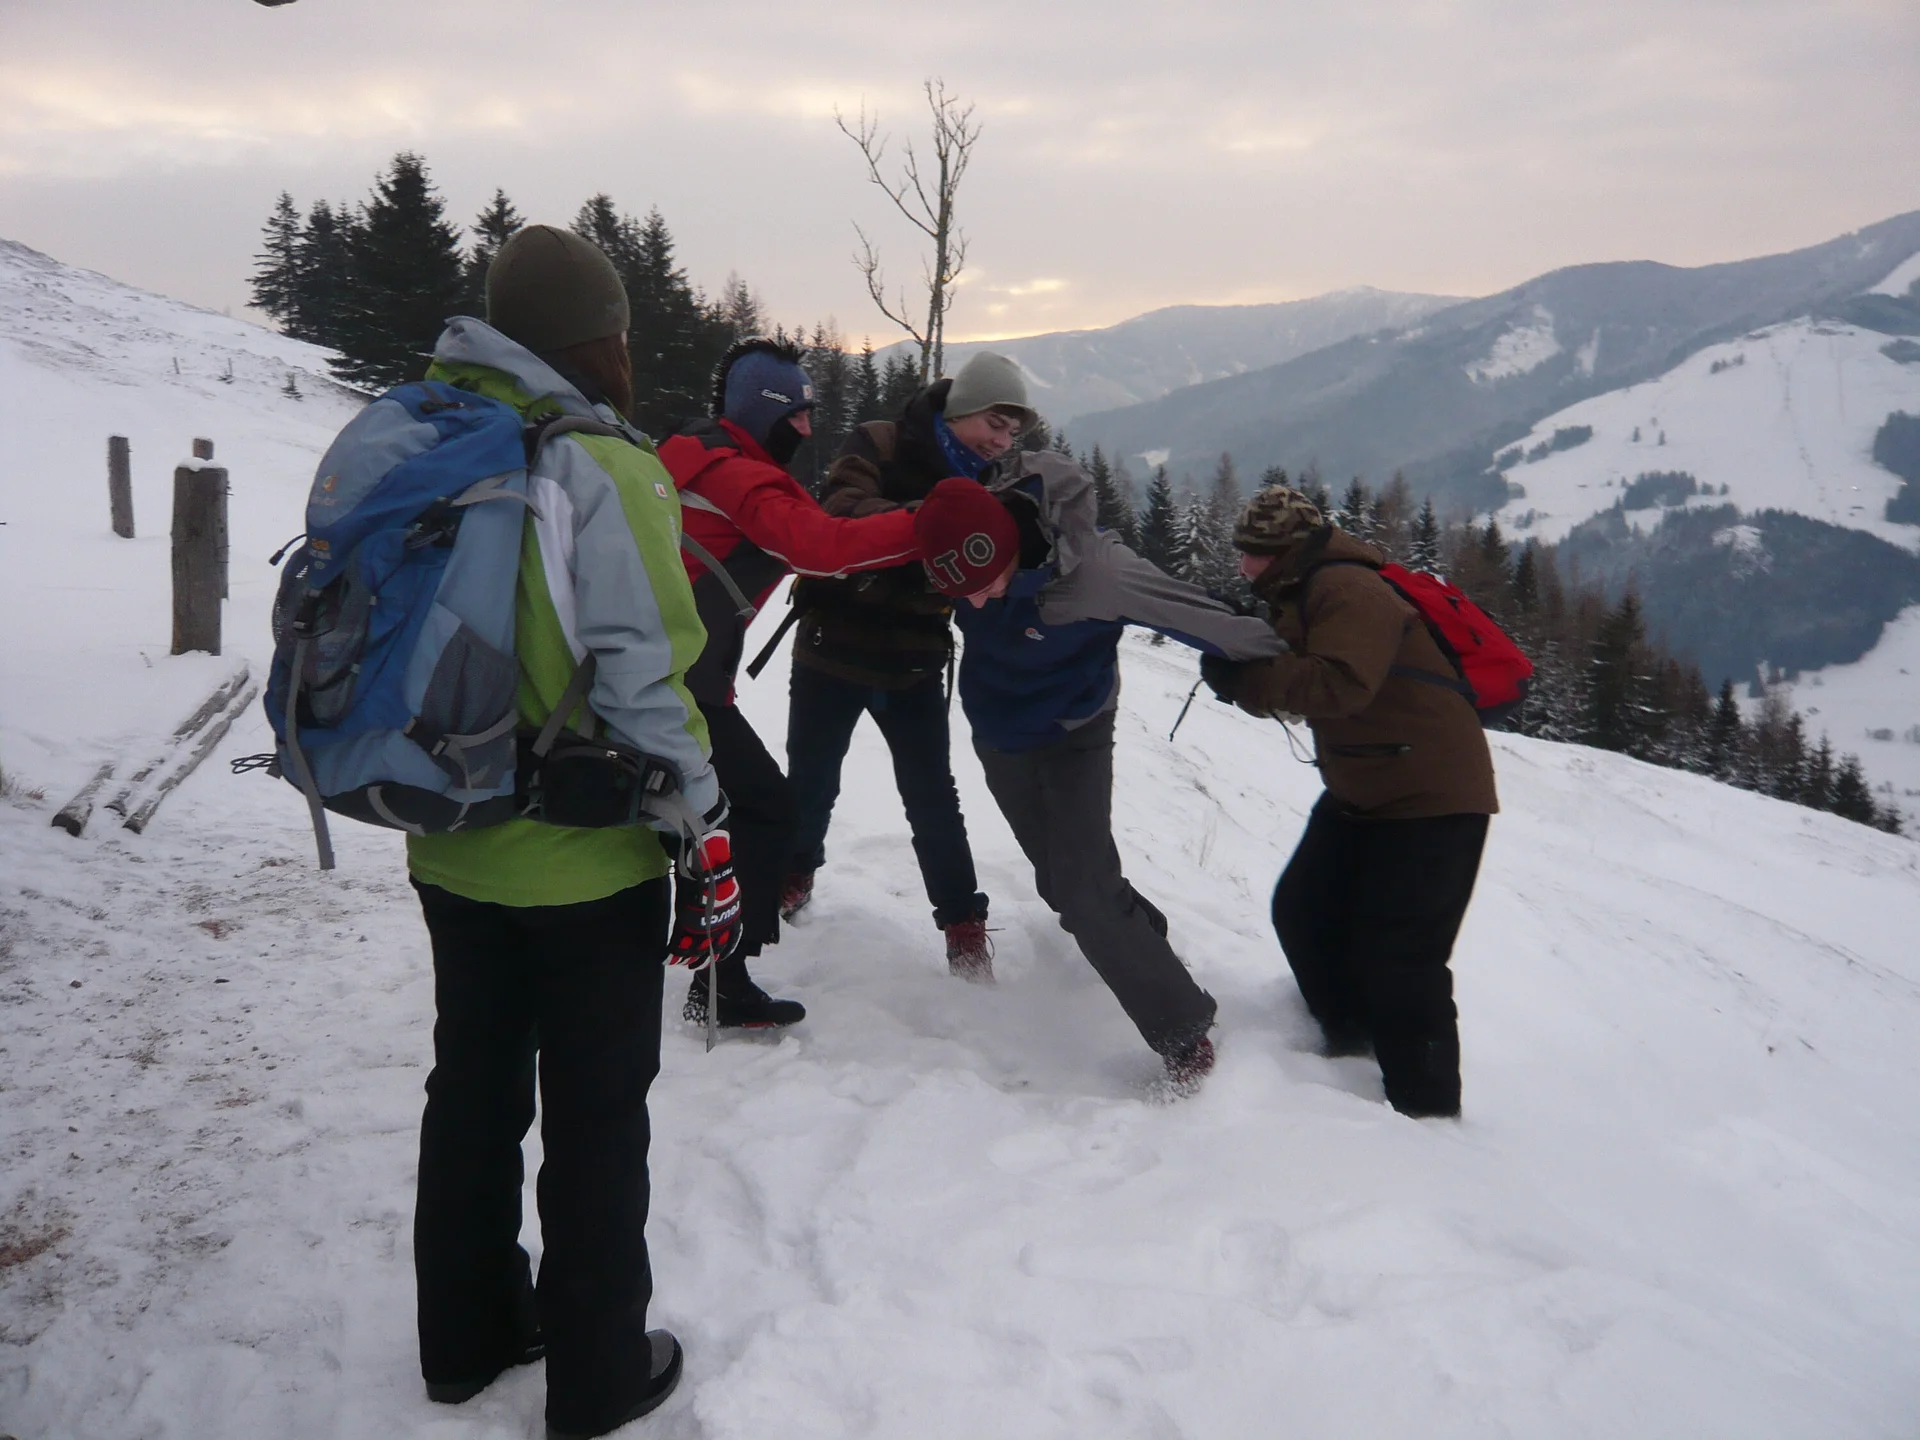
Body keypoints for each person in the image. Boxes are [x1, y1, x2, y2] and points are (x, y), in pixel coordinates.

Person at [402, 225, 732, 1437]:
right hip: (585, 859)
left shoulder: (422, 432)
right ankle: (597, 1373)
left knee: (473, 1084)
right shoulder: (600, 466)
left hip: (444, 830)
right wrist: (704, 820)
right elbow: (651, 680)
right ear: (602, 338)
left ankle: (468, 1334)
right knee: (596, 1113)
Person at [914, 467, 1284, 1090]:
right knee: (1064, 886)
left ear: (1006, 548)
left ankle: (1184, 1035)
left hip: (1075, 732)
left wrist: (1314, 660)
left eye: (983, 586)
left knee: (1086, 895)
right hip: (1000, 736)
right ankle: (1142, 943)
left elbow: (1209, 621)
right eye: (960, 593)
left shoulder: (1097, 574)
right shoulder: (959, 554)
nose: (972, 604)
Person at [1199, 485, 1498, 1118]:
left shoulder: (1349, 590)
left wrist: (1242, 678)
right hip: (1369, 786)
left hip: (1433, 797)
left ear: (1289, 551)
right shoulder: (1302, 591)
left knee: (1403, 956)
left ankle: (1428, 1112)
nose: (1244, 563)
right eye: (1242, 550)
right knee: (1305, 911)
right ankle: (1351, 1045)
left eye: (1255, 552)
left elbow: (1338, 683)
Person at [657, 337, 925, 1026]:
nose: (807, 429)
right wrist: (932, 526)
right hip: (676, 685)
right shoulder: (734, 472)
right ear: (763, 409)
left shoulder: (689, 450)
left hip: (661, 677)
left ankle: (700, 966)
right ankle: (724, 984)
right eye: (798, 414)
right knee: (764, 809)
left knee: (701, 812)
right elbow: (820, 544)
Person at [783, 351, 1035, 980]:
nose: (1001, 442)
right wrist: (935, 521)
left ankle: (961, 920)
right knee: (812, 782)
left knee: (932, 798)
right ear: (963, 410)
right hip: (832, 647)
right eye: (995, 425)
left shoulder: (994, 484)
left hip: (914, 661)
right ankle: (794, 874)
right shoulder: (879, 441)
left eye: (1013, 433)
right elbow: (839, 511)